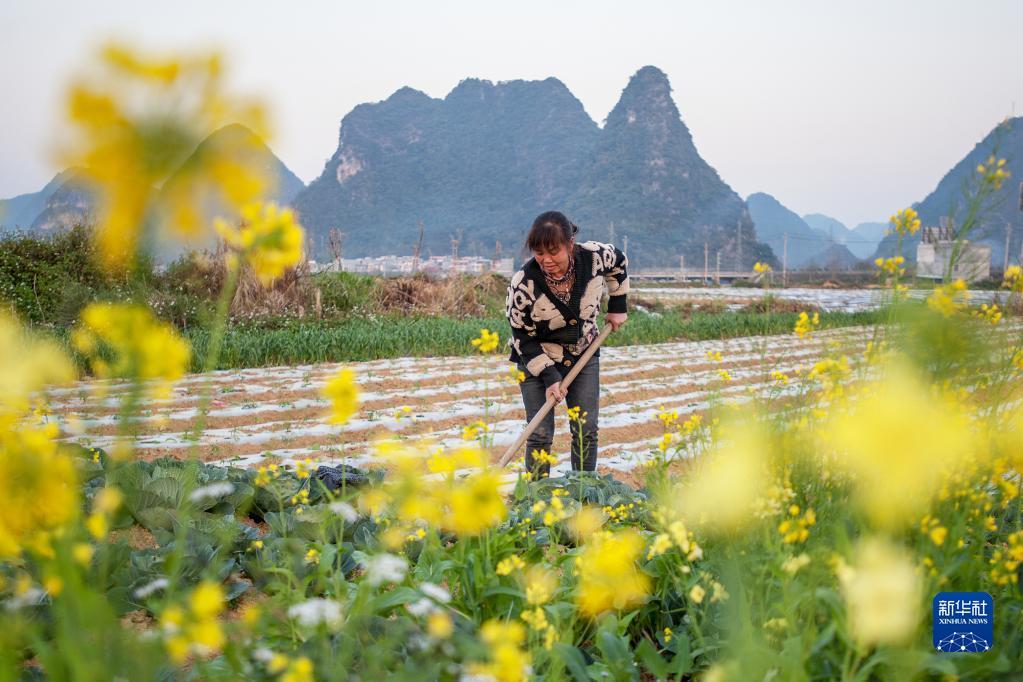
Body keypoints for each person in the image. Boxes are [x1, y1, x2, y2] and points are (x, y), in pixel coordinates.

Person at [505, 210, 629, 479]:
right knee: (538, 433)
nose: (546, 260)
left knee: (586, 430)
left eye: (554, 251)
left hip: (584, 353)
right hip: (536, 358)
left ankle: (582, 493)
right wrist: (550, 377)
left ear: (570, 244)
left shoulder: (594, 257)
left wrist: (618, 305)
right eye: (539, 253)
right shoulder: (523, 284)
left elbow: (618, 261)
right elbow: (521, 336)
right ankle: (535, 500)